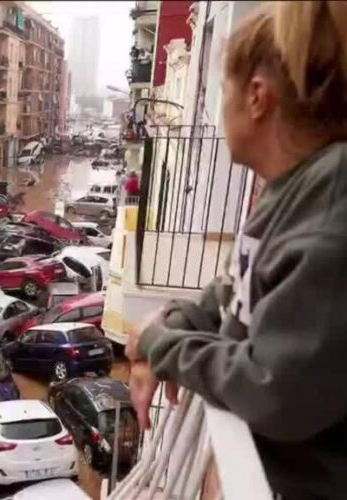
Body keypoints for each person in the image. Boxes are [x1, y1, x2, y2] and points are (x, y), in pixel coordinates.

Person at [125, 2, 347, 498]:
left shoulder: (331, 203)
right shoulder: (289, 190)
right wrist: (176, 325)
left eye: (222, 87)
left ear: (256, 97)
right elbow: (231, 291)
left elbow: (276, 390)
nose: (216, 103)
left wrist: (161, 344)